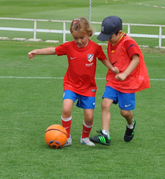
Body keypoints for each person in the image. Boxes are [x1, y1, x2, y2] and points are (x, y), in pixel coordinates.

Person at [28, 17, 118, 147]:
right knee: (66, 108)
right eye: (76, 38)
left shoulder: (95, 48)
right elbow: (54, 50)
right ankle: (67, 137)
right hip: (71, 84)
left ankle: (85, 138)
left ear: (88, 34)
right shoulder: (69, 46)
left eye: (82, 37)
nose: (79, 41)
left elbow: (103, 59)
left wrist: (112, 68)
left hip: (88, 88)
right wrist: (37, 51)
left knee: (89, 117)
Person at [90, 16, 150, 146]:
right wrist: (114, 68)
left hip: (127, 83)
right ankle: (105, 135)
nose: (108, 41)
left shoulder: (128, 42)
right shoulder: (112, 42)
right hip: (113, 80)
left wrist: (125, 74)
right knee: (105, 104)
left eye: (110, 37)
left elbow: (136, 59)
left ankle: (130, 124)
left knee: (125, 112)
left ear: (120, 32)